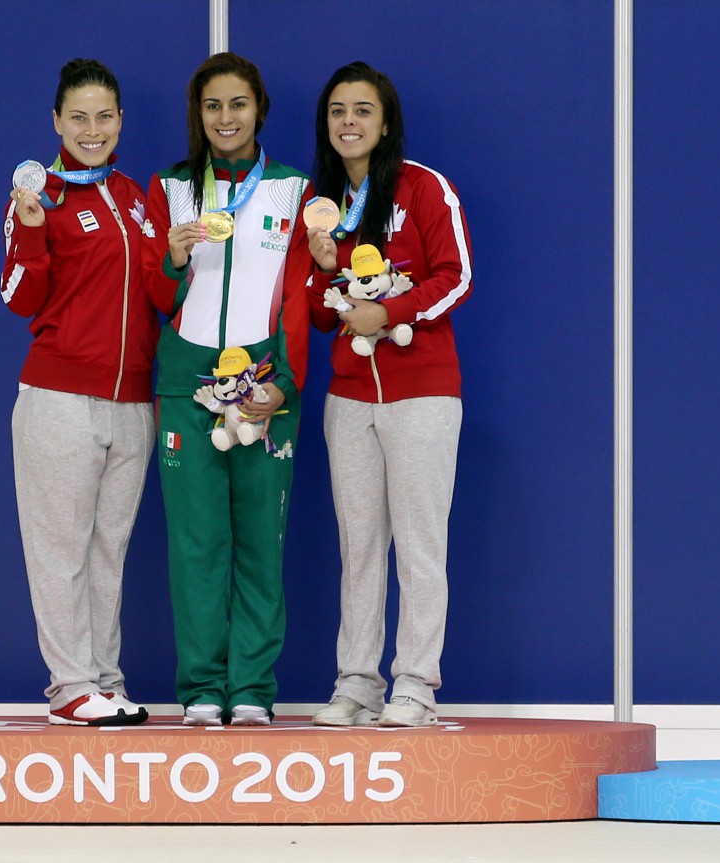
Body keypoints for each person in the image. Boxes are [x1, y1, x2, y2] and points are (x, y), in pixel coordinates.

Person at [141, 52, 312, 727]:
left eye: (237, 103)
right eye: (212, 105)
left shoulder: (294, 191)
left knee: (259, 544)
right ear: (198, 114)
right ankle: (204, 688)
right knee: (196, 545)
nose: (225, 117)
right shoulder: (171, 188)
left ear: (258, 109)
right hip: (187, 384)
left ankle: (251, 689)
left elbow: (299, 302)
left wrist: (286, 388)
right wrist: (174, 257)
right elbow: (155, 295)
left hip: (264, 389)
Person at [306, 62, 473, 727]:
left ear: (384, 121)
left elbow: (456, 276)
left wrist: (394, 310)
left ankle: (414, 685)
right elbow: (319, 316)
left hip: (421, 392)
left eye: (362, 110)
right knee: (360, 545)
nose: (349, 122)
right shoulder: (321, 207)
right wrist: (323, 273)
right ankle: (355, 682)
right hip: (348, 396)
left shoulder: (423, 187)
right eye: (338, 111)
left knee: (420, 543)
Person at [0, 59, 158, 726]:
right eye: (78, 118)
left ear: (120, 119)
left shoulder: (132, 195)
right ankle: (69, 685)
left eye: (103, 116)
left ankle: (103, 678)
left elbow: (159, 291)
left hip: (134, 403)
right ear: (56, 123)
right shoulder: (40, 198)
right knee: (60, 549)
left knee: (106, 553)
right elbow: (17, 297)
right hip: (60, 397)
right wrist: (32, 231)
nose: (91, 129)